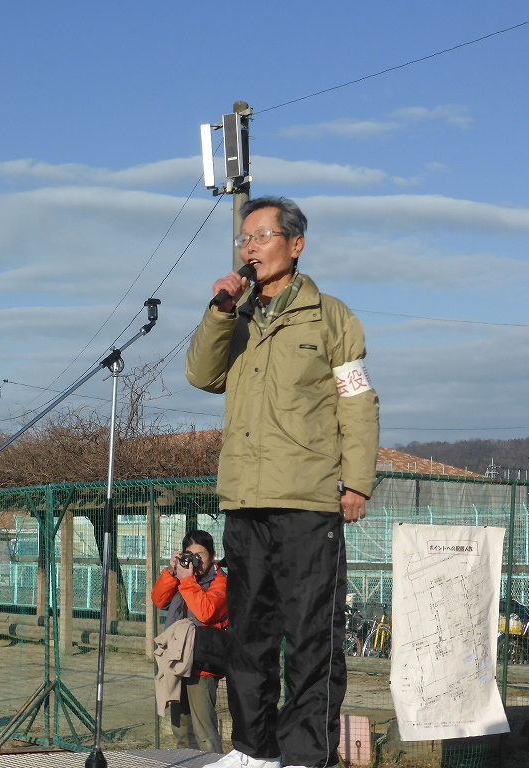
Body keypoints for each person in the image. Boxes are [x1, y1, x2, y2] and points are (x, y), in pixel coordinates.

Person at [186, 197, 379, 768]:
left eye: (261, 235)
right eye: (243, 238)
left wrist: (356, 481)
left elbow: (358, 403)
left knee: (311, 635)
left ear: (295, 245)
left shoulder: (332, 318)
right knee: (249, 632)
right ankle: (253, 749)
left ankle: (303, 755)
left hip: (308, 501)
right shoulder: (236, 316)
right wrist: (220, 310)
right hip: (245, 499)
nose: (249, 247)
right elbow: (201, 374)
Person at [151, 530, 228, 754]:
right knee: (181, 730)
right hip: (177, 661)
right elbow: (159, 600)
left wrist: (186, 581)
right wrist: (171, 573)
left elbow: (206, 612)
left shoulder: (221, 582)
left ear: (213, 556)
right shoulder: (183, 578)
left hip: (202, 664)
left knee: (204, 731)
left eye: (200, 555)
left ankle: (212, 763)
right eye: (190, 555)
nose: (195, 561)